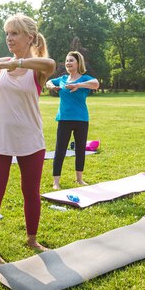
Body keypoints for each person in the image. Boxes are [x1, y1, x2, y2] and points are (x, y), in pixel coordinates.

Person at [0, 14, 56, 264]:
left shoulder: (39, 68)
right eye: (7, 33)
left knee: (31, 191)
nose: (9, 38)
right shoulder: (4, 62)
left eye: (14, 33)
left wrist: (17, 63)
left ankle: (32, 239)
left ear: (29, 37)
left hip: (30, 139)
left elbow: (49, 63)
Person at [45, 51, 99, 190]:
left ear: (78, 63)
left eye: (71, 61)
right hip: (64, 119)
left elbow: (96, 83)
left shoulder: (84, 79)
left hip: (81, 119)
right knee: (60, 150)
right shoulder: (62, 79)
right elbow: (49, 82)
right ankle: (56, 181)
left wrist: (78, 85)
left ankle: (79, 179)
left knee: (80, 150)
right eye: (67, 60)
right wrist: (52, 86)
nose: (68, 63)